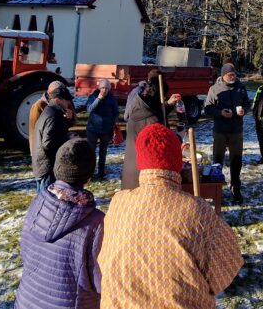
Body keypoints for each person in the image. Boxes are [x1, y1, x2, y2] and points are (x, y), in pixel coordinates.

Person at [99, 123, 242, 308]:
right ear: (178, 161)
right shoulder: (197, 211)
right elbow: (226, 269)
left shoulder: (118, 202)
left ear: (140, 160)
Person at [16, 139, 104, 309]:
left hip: (26, 301)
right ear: (88, 176)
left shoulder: (38, 203)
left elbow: (25, 252)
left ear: (57, 169)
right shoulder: (97, 223)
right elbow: (102, 282)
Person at [120, 74, 181, 190]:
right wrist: (178, 138)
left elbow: (156, 111)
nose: (164, 99)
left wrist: (168, 104)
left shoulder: (140, 104)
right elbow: (162, 142)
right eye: (163, 97)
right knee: (142, 196)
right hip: (146, 169)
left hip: (133, 163)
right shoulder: (150, 119)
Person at [203, 63, 251, 204]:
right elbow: (207, 109)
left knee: (236, 160)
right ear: (223, 75)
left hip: (236, 130)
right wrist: (220, 113)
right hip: (220, 130)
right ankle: (217, 189)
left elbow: (247, 104)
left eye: (234, 75)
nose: (232, 77)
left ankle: (236, 188)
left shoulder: (240, 88)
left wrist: (244, 111)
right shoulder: (214, 89)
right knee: (218, 160)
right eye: (230, 75)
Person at [32, 82, 76, 192]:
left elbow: (56, 132)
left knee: (45, 199)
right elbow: (48, 144)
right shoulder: (52, 115)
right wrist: (67, 141)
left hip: (44, 165)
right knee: (47, 199)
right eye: (66, 101)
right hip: (47, 168)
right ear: (57, 100)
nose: (68, 104)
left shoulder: (52, 111)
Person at [85, 78, 119, 178]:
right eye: (102, 88)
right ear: (99, 88)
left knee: (103, 152)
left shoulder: (112, 98)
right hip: (93, 129)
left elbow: (116, 112)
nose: (104, 90)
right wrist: (98, 99)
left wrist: (114, 121)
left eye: (106, 88)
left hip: (106, 129)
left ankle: (101, 172)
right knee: (91, 152)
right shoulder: (93, 96)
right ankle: (90, 173)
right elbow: (89, 109)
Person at [28, 81, 65, 160]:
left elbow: (70, 122)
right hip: (43, 147)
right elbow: (33, 130)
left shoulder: (61, 101)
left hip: (56, 144)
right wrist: (34, 151)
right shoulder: (38, 105)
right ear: (49, 92)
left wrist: (69, 116)